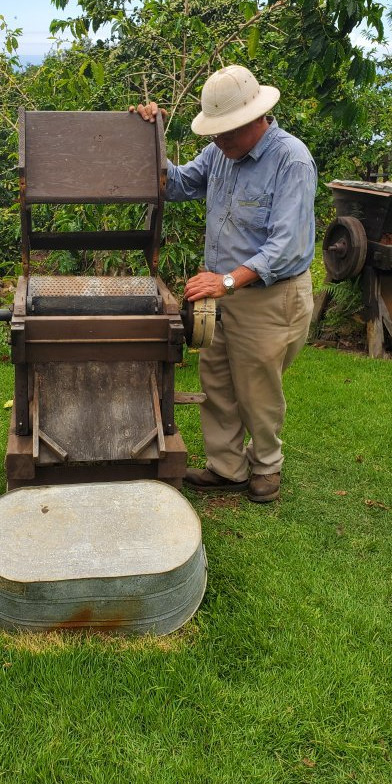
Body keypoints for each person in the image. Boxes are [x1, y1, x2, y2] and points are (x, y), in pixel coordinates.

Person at [131, 64, 316, 502]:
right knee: (216, 381)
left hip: (268, 297)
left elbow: (287, 247)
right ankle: (227, 467)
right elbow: (176, 184)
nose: (219, 141)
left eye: (228, 132)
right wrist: (149, 138)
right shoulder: (219, 154)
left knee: (257, 387)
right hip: (221, 292)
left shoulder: (291, 160)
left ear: (258, 118)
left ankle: (266, 464)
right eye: (215, 133)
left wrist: (227, 282)